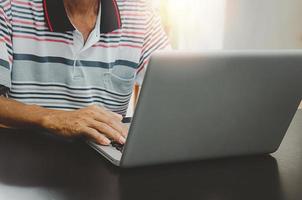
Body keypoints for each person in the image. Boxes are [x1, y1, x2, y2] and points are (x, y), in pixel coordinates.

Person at [0, 0, 169, 145]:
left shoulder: (141, 14)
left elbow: (174, 90)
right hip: (25, 161)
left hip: (105, 161)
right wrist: (52, 118)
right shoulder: (9, 7)